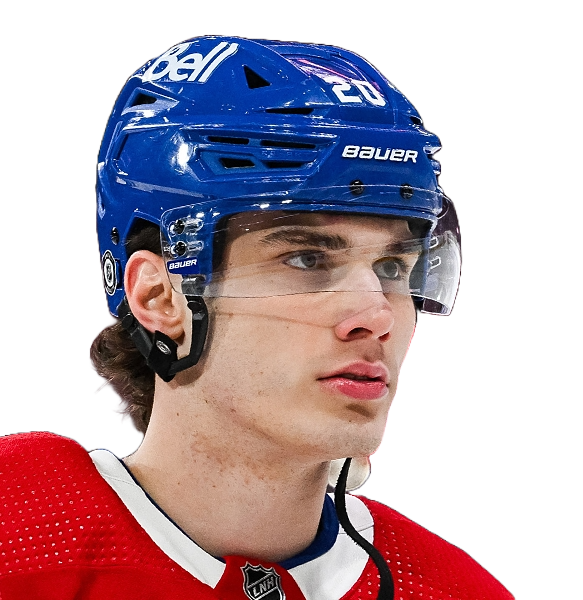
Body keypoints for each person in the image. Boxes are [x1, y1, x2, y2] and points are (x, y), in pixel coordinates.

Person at [0, 36, 514, 599]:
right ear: (161, 297)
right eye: (306, 259)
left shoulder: (457, 591)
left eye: (393, 267)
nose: (377, 316)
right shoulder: (18, 533)